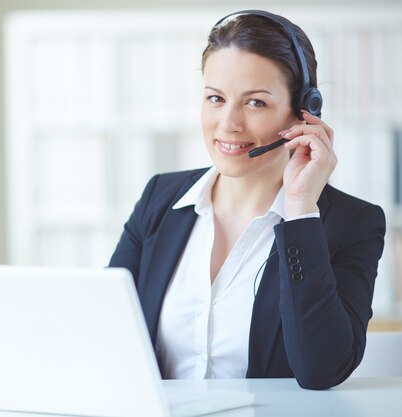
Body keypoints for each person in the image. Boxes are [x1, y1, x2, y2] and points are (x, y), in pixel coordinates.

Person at [108, 10, 386, 390]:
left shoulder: (352, 222)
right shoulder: (160, 199)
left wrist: (301, 210)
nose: (228, 124)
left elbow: (321, 370)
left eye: (255, 103)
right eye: (215, 98)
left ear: (304, 111)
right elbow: (106, 332)